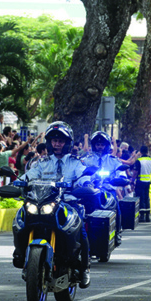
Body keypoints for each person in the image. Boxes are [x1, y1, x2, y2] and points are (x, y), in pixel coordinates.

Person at [20, 121, 92, 289]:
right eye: (54, 141)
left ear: (67, 143)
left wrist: (86, 183)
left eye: (60, 141)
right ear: (49, 143)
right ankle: (22, 257)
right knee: (22, 220)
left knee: (81, 231)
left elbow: (83, 176)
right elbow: (29, 176)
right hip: (44, 202)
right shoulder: (42, 163)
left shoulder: (75, 163)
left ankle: (84, 268)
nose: (57, 144)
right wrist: (17, 183)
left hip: (69, 203)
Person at [83, 131, 126, 245]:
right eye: (97, 144)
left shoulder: (113, 160)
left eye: (102, 144)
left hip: (108, 189)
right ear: (94, 146)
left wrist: (120, 178)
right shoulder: (87, 159)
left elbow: (121, 172)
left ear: (106, 146)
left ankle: (117, 231)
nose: (100, 147)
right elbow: (81, 172)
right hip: (91, 190)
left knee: (116, 204)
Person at [134, 145, 151, 222]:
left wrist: (132, 181)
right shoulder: (150, 160)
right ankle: (147, 216)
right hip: (147, 181)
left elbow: (135, 172)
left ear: (140, 152)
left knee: (141, 198)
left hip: (140, 181)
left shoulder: (139, 160)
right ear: (147, 152)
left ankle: (142, 216)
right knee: (146, 197)